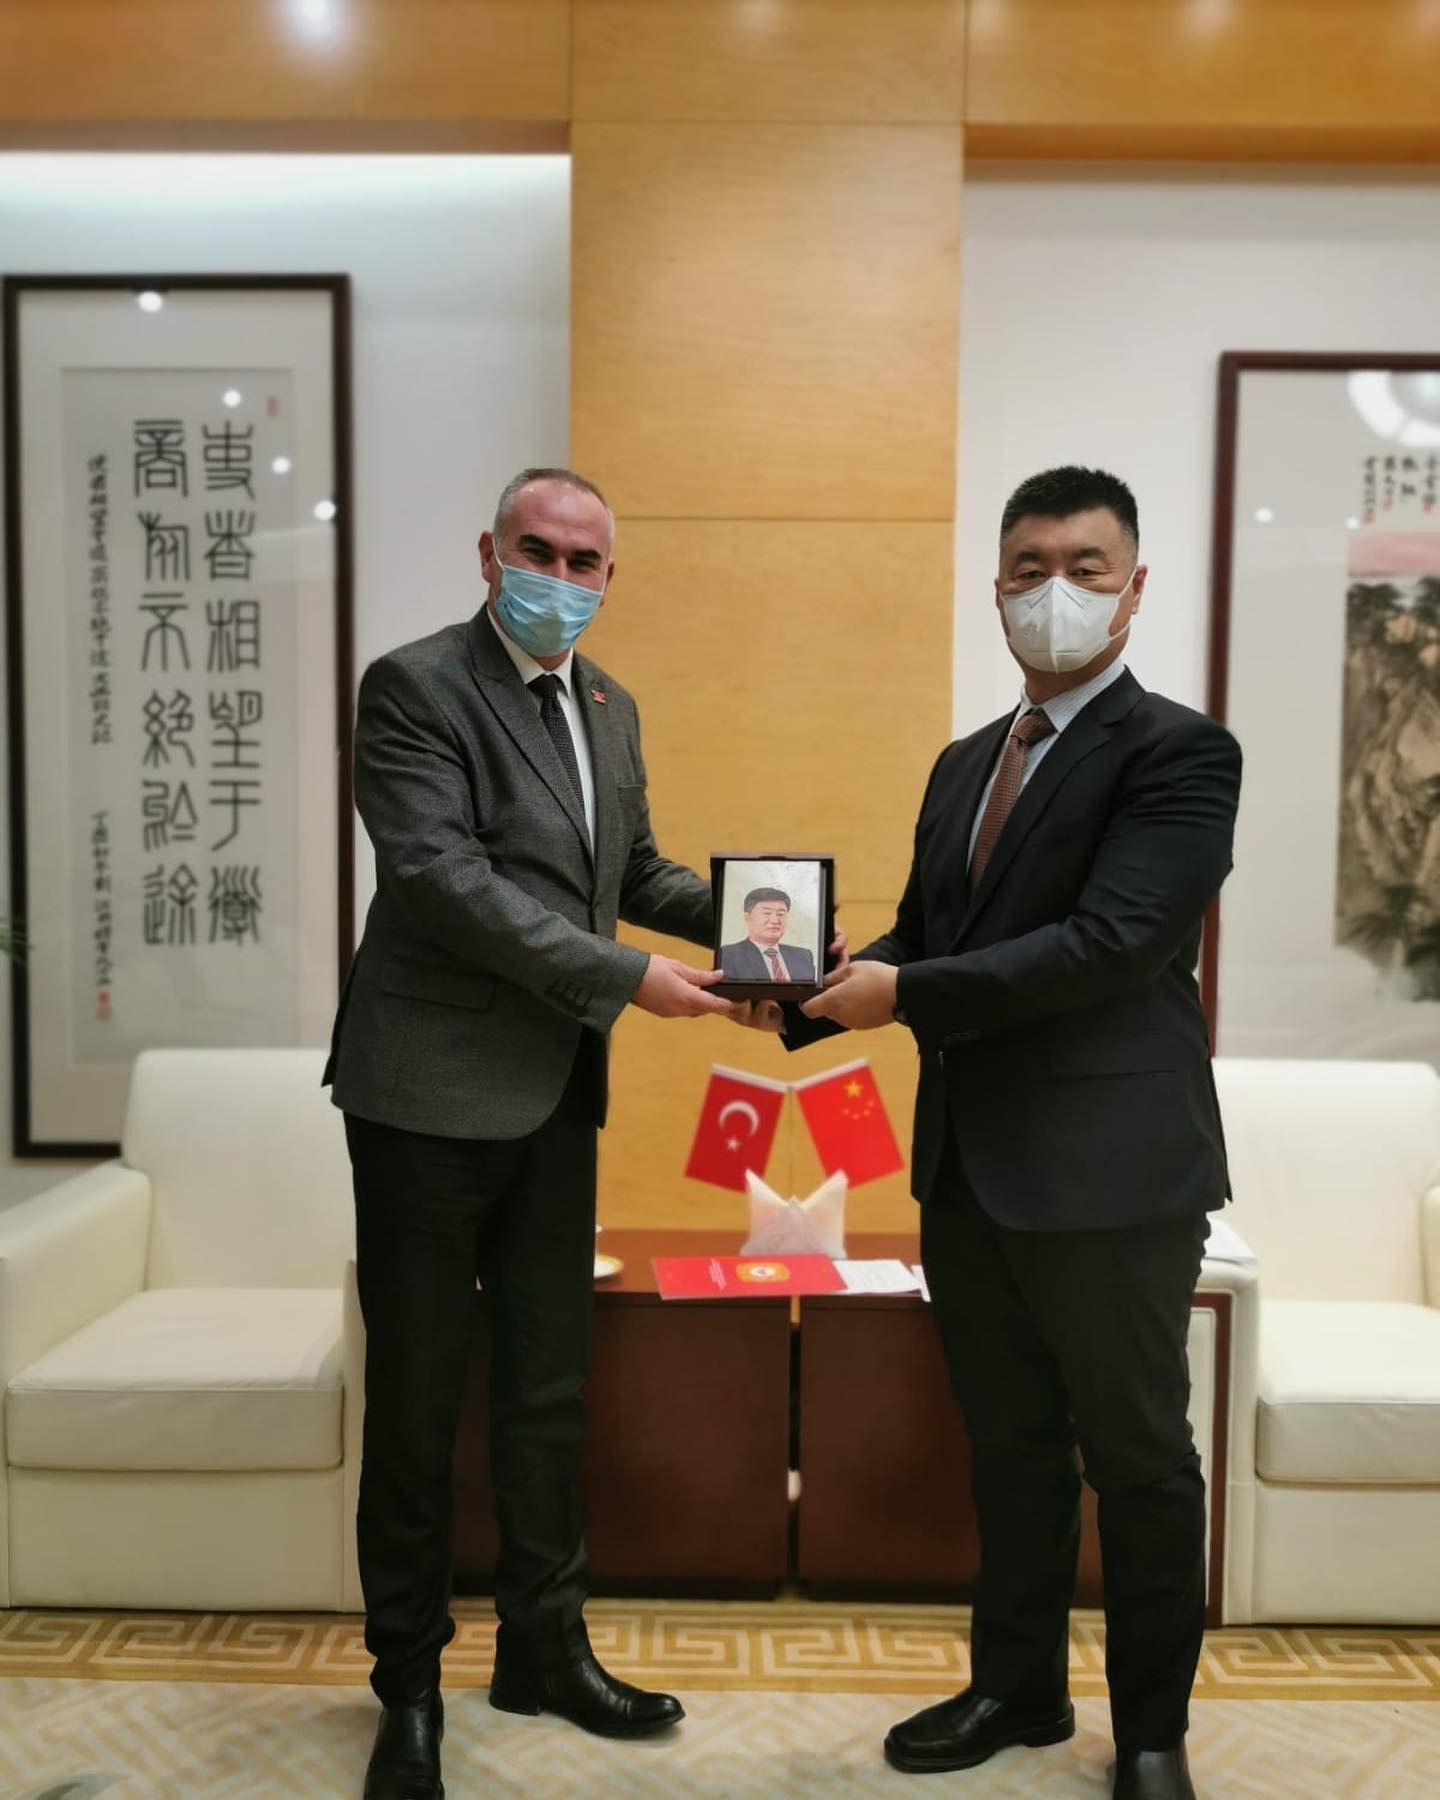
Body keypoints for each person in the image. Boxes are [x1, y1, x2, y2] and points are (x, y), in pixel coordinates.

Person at [792, 466, 1242, 1800]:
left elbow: (1111, 946)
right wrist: (806, 992)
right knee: (1010, 1445)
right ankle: (1018, 1689)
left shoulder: (1180, 754)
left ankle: (1150, 1733)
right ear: (996, 588)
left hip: (1114, 1176)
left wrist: (901, 995)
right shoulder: (965, 763)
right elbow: (928, 939)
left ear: (1133, 587)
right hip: (971, 1168)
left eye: (1084, 568)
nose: (1055, 591)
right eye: (1029, 567)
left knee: (1140, 1457)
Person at [325, 468, 744, 1800]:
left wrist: (769, 930)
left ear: (610, 577)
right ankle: (408, 1688)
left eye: (582, 560)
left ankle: (543, 1650)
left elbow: (635, 873)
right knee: (419, 1401)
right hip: (425, 1098)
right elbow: (443, 881)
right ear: (488, 551)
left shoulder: (608, 705)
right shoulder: (415, 686)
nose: (557, 577)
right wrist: (627, 979)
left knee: (550, 1392)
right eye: (536, 550)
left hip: (557, 1095)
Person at [719, 885, 818, 981]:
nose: (775, 920)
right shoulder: (727, 955)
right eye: (767, 913)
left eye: (781, 914)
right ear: (747, 918)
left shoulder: (803, 956)